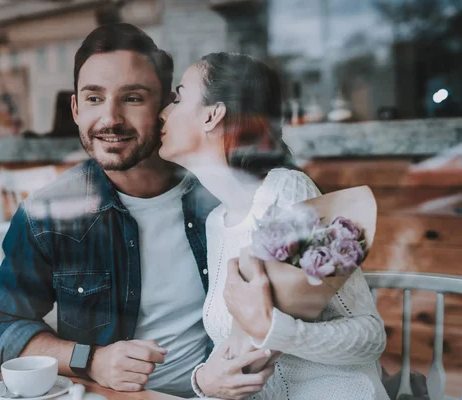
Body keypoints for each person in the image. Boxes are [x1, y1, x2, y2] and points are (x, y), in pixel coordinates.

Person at [0, 25, 274, 398]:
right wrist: (92, 359)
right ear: (75, 108)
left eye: (132, 98)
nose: (110, 119)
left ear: (167, 106)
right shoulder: (48, 213)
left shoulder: (222, 197)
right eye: (94, 99)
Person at [158, 52, 390, 400]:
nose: (164, 112)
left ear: (212, 115)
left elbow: (370, 336)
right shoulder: (215, 224)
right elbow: (238, 353)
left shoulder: (287, 193)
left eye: (177, 97)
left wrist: (274, 330)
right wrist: (204, 380)